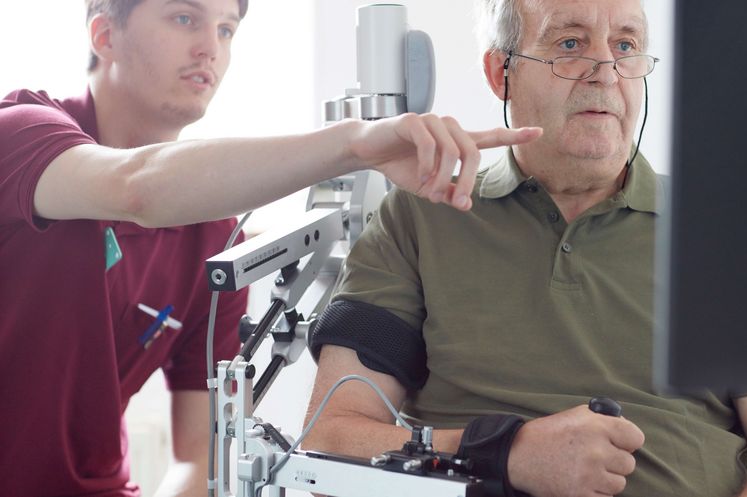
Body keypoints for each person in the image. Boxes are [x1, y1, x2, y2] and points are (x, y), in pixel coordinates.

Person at [0, 0, 540, 495]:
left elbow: (197, 455)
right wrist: (354, 146)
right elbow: (136, 188)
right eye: (184, 18)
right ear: (104, 34)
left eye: (227, 28)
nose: (210, 47)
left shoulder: (213, 236)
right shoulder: (20, 134)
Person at [303, 0, 747, 496]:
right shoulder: (418, 217)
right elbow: (331, 437)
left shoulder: (727, 231)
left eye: (625, 46)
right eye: (570, 44)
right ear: (500, 73)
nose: (605, 69)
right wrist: (504, 452)